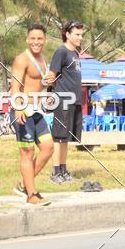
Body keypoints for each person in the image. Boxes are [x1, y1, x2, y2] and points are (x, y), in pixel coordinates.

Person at [8, 24, 53, 205]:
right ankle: (32, 194)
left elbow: (37, 85)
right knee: (27, 152)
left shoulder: (43, 60)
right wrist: (18, 107)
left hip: (36, 111)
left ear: (45, 40)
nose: (36, 42)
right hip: (23, 109)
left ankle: (24, 185)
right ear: (27, 40)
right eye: (33, 38)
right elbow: (15, 86)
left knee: (48, 147)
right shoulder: (22, 59)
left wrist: (47, 83)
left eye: (40, 39)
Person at [47, 21, 84, 184]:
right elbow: (51, 76)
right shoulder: (61, 52)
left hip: (74, 101)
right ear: (67, 34)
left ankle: (63, 169)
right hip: (62, 100)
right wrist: (51, 95)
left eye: (81, 35)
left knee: (66, 138)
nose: (80, 38)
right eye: (77, 34)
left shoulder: (75, 53)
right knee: (58, 138)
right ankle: (55, 172)